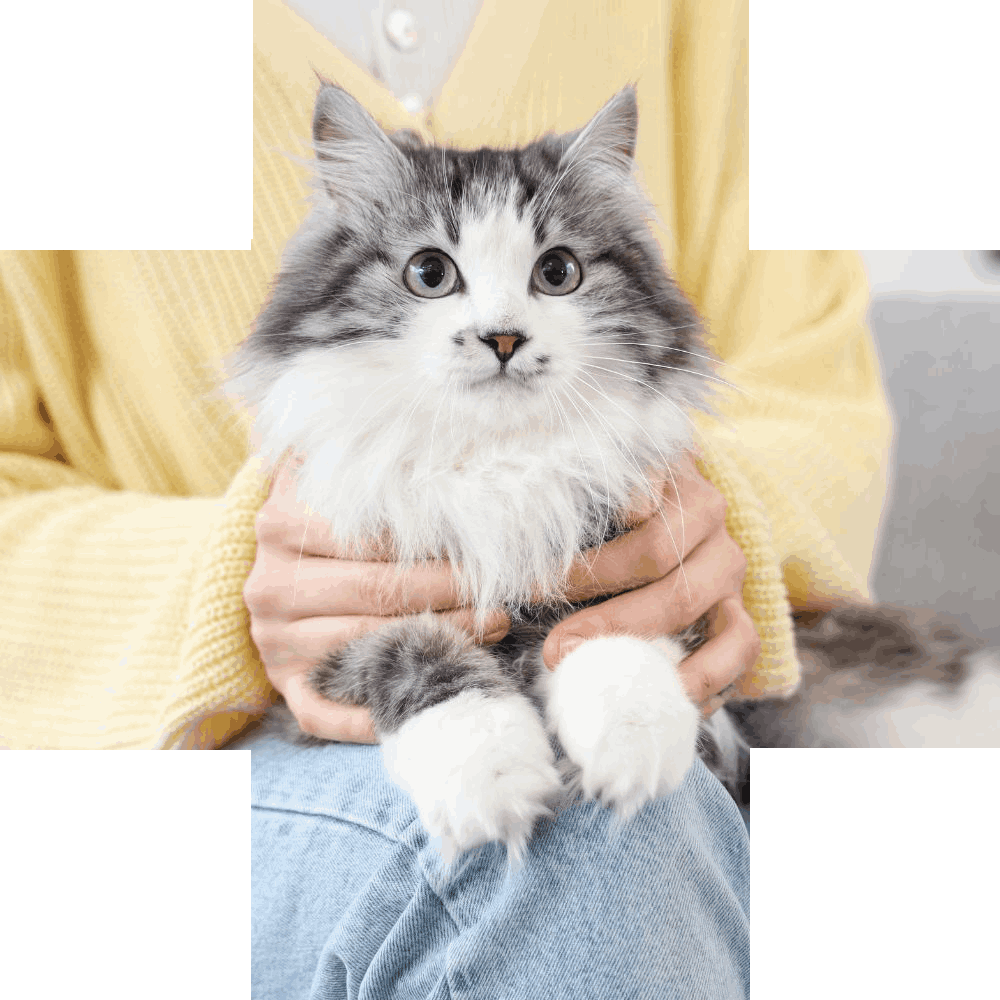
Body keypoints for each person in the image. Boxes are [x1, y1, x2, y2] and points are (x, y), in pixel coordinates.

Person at [0, 0, 890, 994]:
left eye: (554, 272)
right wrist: (232, 576)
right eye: (432, 272)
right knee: (576, 837)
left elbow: (825, 407)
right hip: (193, 741)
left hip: (685, 678)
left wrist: (685, 539)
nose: (500, 327)